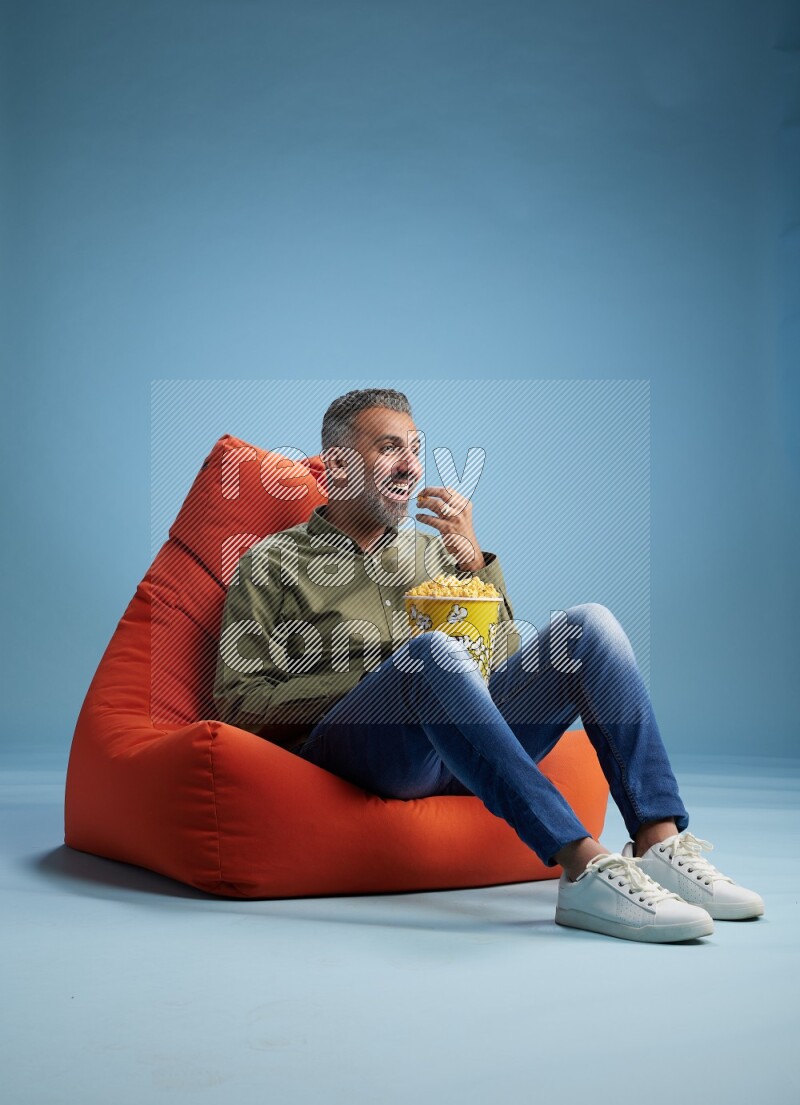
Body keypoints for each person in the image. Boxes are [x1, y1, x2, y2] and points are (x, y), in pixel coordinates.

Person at [213, 387, 764, 943]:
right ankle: (583, 867)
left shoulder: (432, 554)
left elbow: (498, 661)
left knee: (589, 625)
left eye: (414, 449)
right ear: (337, 463)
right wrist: (380, 677)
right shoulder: (272, 561)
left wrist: (476, 566)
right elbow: (238, 701)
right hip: (367, 754)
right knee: (429, 654)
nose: (409, 466)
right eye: (388, 448)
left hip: (466, 750)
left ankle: (658, 843)